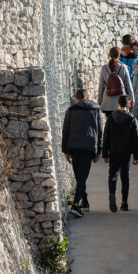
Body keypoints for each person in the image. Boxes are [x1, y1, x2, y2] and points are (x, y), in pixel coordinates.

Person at [62, 88, 103, 217]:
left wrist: (66, 150)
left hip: (74, 147)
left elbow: (66, 130)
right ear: (88, 97)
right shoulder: (96, 110)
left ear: (76, 99)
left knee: (79, 176)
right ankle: (77, 205)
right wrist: (98, 151)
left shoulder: (71, 110)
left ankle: (83, 203)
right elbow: (100, 131)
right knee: (82, 177)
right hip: (88, 147)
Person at [102, 94, 138, 213]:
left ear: (117, 104)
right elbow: (136, 139)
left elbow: (106, 136)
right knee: (125, 176)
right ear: (128, 106)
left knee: (113, 175)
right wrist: (136, 156)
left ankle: (112, 195)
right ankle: (124, 202)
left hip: (113, 151)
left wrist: (104, 154)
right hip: (126, 152)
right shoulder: (132, 119)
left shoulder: (111, 118)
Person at [98, 46, 134, 122]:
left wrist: (100, 100)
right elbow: (129, 85)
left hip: (107, 101)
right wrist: (132, 99)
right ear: (119, 56)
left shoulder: (104, 68)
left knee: (110, 124)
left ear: (109, 55)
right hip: (121, 101)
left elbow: (101, 86)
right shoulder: (124, 67)